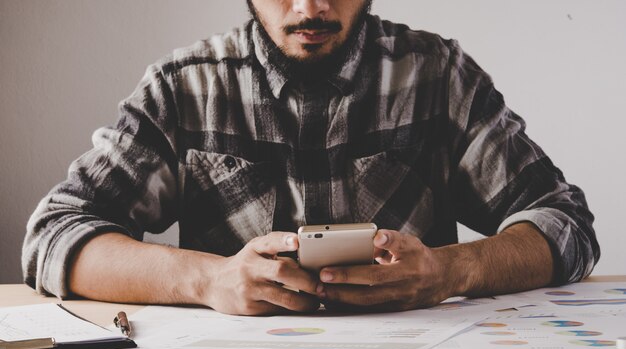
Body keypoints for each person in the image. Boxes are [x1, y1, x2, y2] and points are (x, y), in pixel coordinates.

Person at [22, 0, 600, 315]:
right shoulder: (184, 87)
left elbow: (565, 224)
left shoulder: (438, 76)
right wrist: (208, 280)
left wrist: (452, 271)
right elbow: (54, 234)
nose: (310, 8)